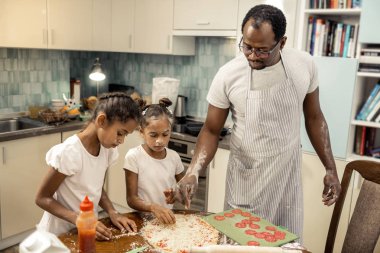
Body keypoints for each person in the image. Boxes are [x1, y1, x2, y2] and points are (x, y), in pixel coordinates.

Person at [177, 4, 341, 238]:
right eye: (247, 46)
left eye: (262, 50)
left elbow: (314, 117)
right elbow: (211, 130)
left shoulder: (303, 65)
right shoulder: (228, 74)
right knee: (241, 245)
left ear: (281, 43)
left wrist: (331, 168)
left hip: (287, 179)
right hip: (247, 179)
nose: (252, 55)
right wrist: (194, 170)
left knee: (286, 245)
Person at [35, 92, 143, 240]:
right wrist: (78, 219)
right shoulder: (70, 153)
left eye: (126, 135)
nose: (121, 141)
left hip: (87, 230)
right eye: (120, 133)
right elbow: (42, 198)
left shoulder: (107, 150)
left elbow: (97, 189)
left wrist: (112, 211)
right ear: (102, 120)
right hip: (58, 235)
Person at [124, 98, 185, 224]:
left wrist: (177, 195)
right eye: (153, 135)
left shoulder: (174, 157)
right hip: (142, 220)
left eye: (165, 134)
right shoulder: (134, 157)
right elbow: (131, 199)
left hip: (167, 219)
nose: (160, 141)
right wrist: (153, 207)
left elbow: (185, 191)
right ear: (142, 132)